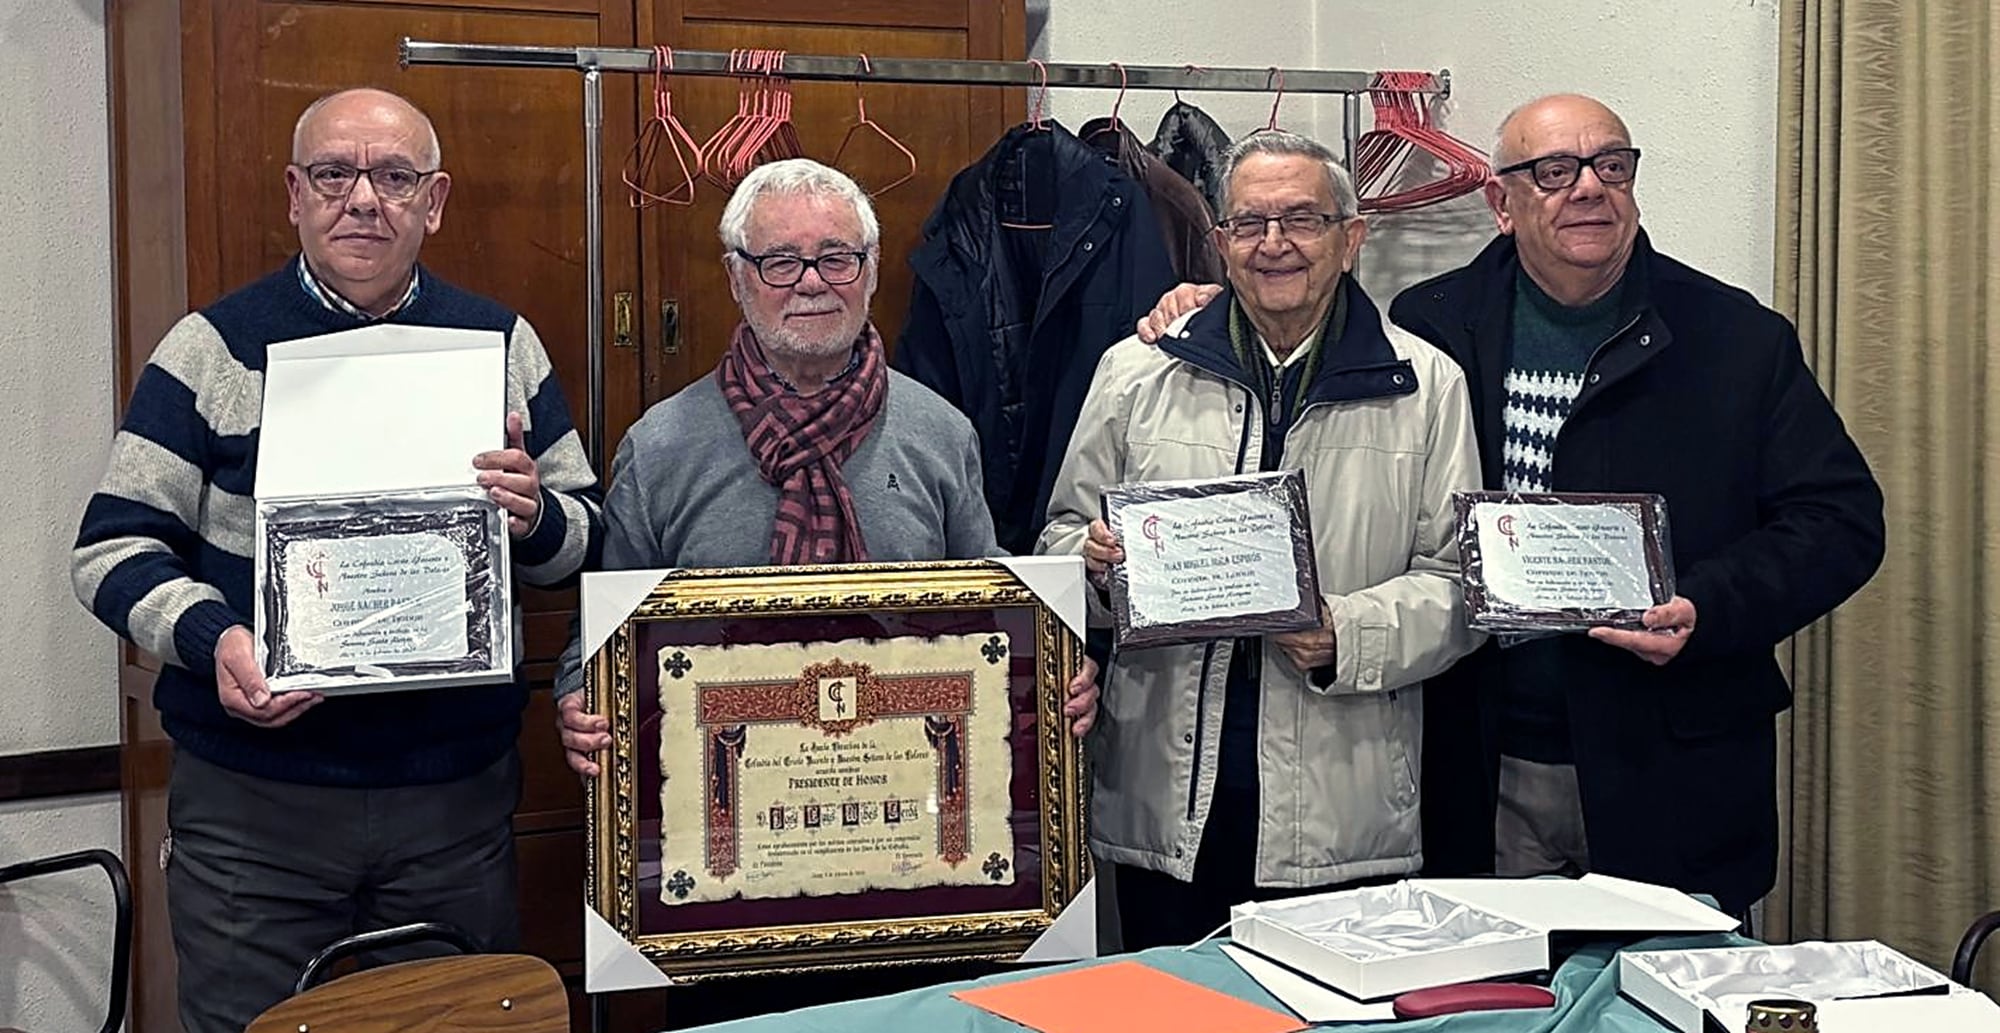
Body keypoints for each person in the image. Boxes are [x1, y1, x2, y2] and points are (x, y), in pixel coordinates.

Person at [1137, 95, 1886, 918]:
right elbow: (1302, 331)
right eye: (1554, 172)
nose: (1589, 188)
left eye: (1611, 166)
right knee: (1487, 980)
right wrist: (1208, 307)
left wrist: (1709, 604)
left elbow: (1839, 520)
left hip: (1668, 762)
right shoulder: (1433, 327)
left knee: (1665, 981)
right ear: (1501, 202)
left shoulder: (1735, 337)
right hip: (1477, 761)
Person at [69, 88, 603, 1033]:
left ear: (434, 201)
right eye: (332, 174)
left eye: (394, 176)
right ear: (294, 194)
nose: (363, 199)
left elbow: (584, 539)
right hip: (255, 810)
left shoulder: (500, 344)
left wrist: (533, 517)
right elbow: (112, 549)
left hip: (451, 805)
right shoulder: (213, 348)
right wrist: (213, 636)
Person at [1038, 130, 1482, 951]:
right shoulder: (1135, 373)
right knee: (1170, 1005)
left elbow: (1459, 584)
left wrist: (1345, 633)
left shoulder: (1425, 386)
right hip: (1164, 803)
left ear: (1351, 237)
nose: (1273, 243)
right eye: (1248, 223)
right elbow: (1061, 537)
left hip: (1341, 809)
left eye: (1302, 219)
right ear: (1220, 242)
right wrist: (1094, 566)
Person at [554, 158, 1097, 778]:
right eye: (780, 261)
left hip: (902, 784)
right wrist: (580, 693)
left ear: (872, 270)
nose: (811, 283)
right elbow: (605, 630)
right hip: (722, 791)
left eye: (837, 258)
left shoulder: (942, 433)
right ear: (736, 276)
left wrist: (1053, 664)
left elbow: (990, 606)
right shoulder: (660, 448)